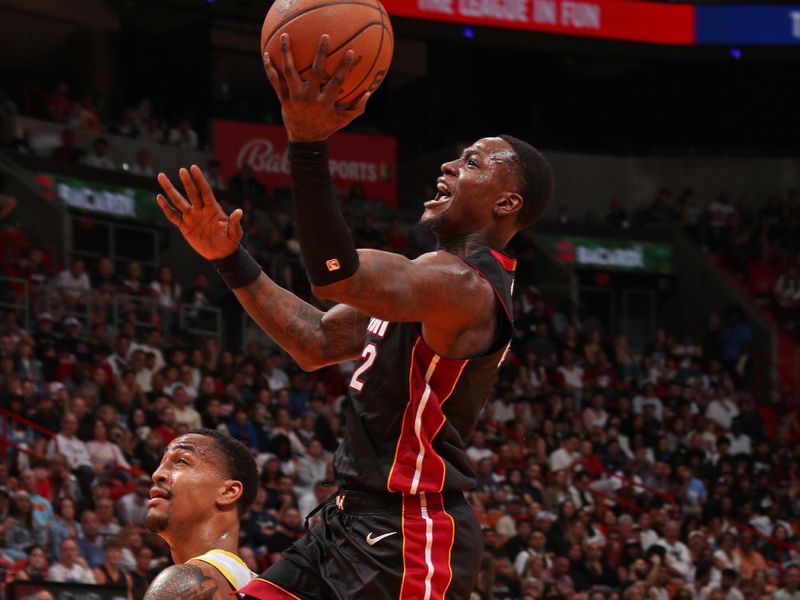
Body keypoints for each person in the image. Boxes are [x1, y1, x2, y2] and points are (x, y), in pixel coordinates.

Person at [154, 33, 553, 600]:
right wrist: (228, 258)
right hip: (347, 526)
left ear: (506, 203)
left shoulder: (466, 288)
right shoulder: (425, 284)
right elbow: (313, 340)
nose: (448, 164)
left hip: (409, 534)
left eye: (471, 162)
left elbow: (336, 273)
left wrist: (308, 143)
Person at [142, 429, 258, 600]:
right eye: (161, 463)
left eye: (181, 461)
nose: (157, 474)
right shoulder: (255, 585)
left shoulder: (186, 582)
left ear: (228, 492)